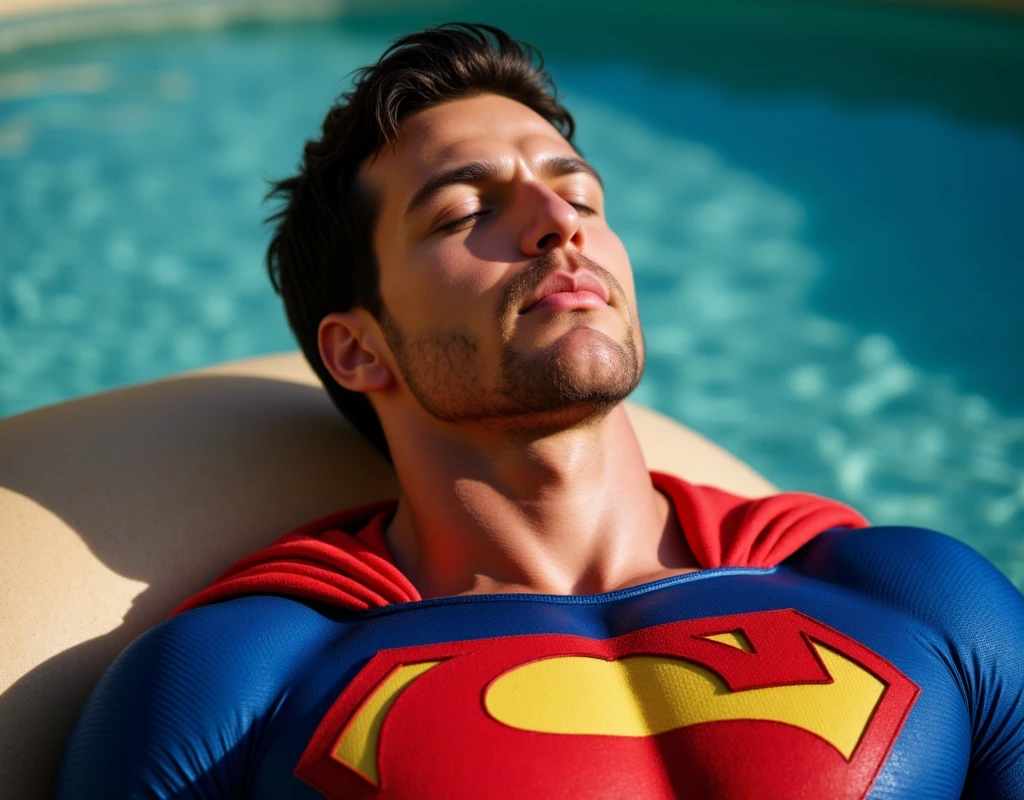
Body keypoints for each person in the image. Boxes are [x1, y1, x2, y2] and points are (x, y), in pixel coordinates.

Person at [56, 23, 1023, 800]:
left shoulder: (916, 592)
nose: (559, 223)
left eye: (581, 195)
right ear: (360, 349)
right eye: (462, 212)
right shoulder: (240, 681)